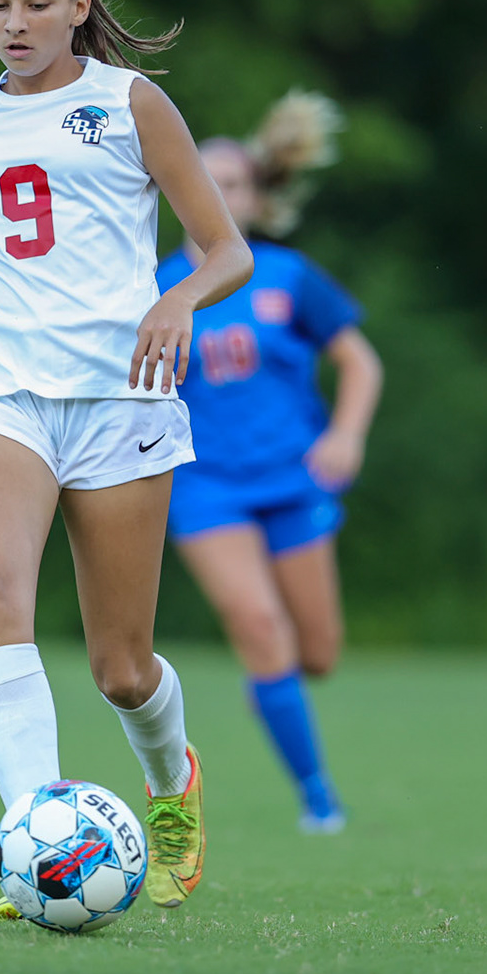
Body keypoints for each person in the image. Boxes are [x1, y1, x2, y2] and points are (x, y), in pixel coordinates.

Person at [0, 0, 253, 918]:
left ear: (79, 7)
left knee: (121, 666)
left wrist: (178, 297)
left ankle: (172, 784)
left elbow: (226, 249)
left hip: (117, 396)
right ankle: (36, 839)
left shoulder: (131, 103)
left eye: (38, 3)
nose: (16, 22)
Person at [158, 93, 383, 834]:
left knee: (315, 656)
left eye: (235, 183)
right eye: (206, 181)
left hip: (292, 482)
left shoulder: (288, 278)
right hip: (203, 487)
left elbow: (360, 363)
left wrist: (345, 435)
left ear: (257, 199)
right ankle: (320, 798)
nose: (221, 195)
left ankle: (275, 682)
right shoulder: (154, 286)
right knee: (258, 622)